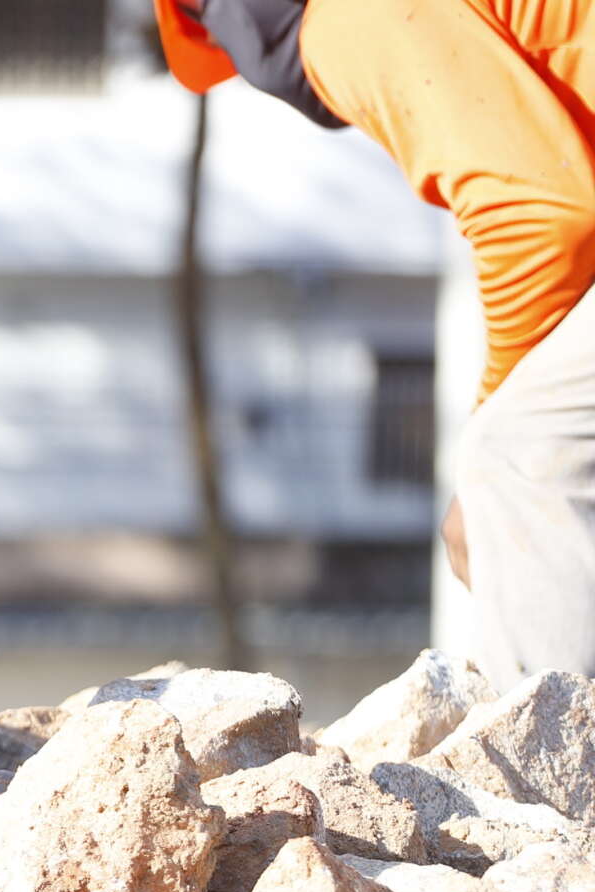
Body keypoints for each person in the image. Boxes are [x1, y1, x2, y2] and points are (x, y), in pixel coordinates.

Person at [157, 0, 595, 683]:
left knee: (517, 452)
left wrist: (491, 437)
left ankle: (544, 779)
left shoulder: (343, 18)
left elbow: (540, 222)